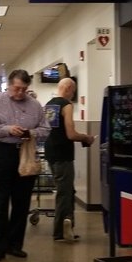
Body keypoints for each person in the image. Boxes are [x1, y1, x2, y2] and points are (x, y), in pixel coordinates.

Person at [0, 69, 50, 262]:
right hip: (2, 152)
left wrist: (31, 133)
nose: (20, 93)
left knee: (22, 202)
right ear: (9, 85)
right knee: (0, 202)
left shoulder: (35, 105)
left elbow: (46, 129)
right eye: (17, 88)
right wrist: (7, 129)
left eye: (24, 89)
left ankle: (15, 245)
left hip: (25, 153)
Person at [43, 78, 95, 242]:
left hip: (51, 153)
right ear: (67, 88)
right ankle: (59, 232)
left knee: (67, 191)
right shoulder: (66, 105)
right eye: (73, 91)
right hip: (63, 155)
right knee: (64, 193)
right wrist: (86, 138)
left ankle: (69, 226)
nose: (73, 94)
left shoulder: (49, 105)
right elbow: (71, 134)